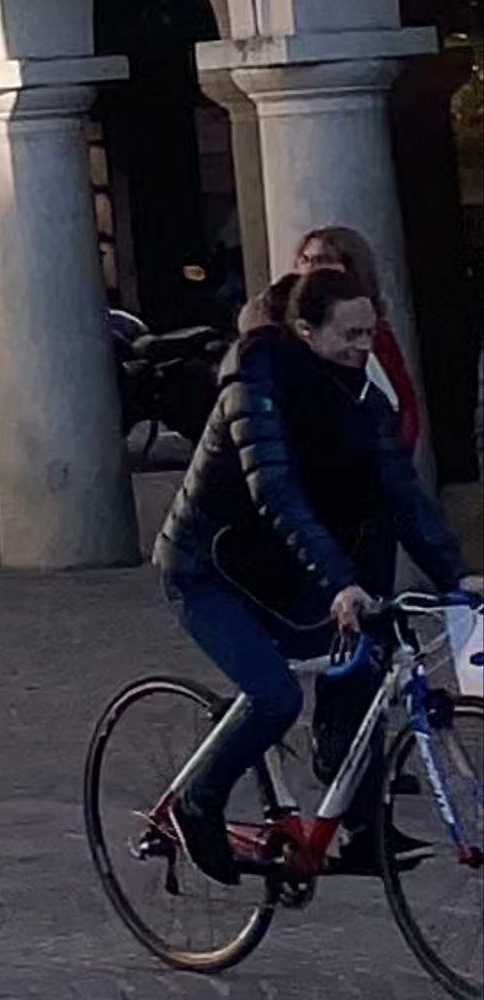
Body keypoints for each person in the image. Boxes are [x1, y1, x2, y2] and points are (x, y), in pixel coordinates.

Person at [158, 245, 465, 878]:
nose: (363, 346)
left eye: (371, 333)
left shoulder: (362, 399)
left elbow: (402, 494)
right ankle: (197, 801)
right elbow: (276, 492)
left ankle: (357, 826)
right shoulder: (256, 380)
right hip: (207, 566)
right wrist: (340, 580)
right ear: (306, 330)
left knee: (367, 656)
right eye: (349, 334)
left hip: (282, 568)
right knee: (272, 697)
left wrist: (456, 578)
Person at [296, 228, 428, 468]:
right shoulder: (285, 327)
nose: (310, 268)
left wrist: (393, 461)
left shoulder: (377, 334)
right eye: (305, 259)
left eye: (323, 260)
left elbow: (402, 403)